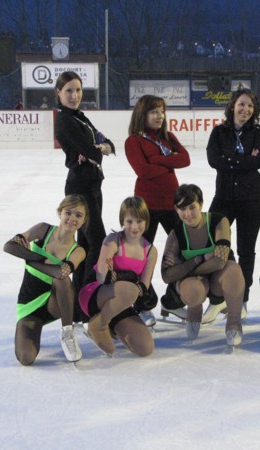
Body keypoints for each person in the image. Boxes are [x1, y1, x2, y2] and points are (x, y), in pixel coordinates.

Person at [54, 71, 115, 322]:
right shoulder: (65, 121)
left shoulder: (80, 118)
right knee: (97, 241)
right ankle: (88, 299)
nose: (74, 95)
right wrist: (97, 150)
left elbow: (106, 143)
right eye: (68, 90)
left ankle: (80, 305)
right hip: (80, 188)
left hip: (92, 184)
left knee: (87, 244)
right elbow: (94, 152)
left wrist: (100, 148)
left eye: (78, 90)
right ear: (58, 93)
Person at [125, 95, 191, 323]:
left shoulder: (168, 137)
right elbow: (142, 171)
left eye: (162, 111)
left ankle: (173, 301)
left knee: (183, 251)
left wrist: (156, 160)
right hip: (146, 206)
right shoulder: (134, 141)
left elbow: (185, 159)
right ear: (142, 114)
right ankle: (143, 304)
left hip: (172, 204)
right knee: (141, 256)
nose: (159, 116)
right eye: (154, 111)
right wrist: (169, 161)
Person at [204, 88, 260, 323]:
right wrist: (245, 160)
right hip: (224, 197)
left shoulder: (258, 133)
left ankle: (243, 298)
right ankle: (219, 295)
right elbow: (213, 160)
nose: (245, 109)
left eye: (250, 106)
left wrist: (229, 159)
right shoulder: (219, 132)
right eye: (241, 104)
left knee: (246, 250)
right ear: (232, 106)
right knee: (215, 241)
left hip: (252, 199)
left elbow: (259, 161)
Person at [3, 195, 88, 365]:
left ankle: (67, 333)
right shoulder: (43, 230)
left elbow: (60, 272)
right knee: (26, 358)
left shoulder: (78, 251)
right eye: (68, 212)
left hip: (54, 304)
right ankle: (32, 329)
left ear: (84, 221)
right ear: (60, 213)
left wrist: (28, 258)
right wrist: (41, 259)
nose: (72, 218)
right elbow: (9, 246)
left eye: (78, 215)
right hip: (29, 304)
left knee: (62, 279)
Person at [161, 184, 245, 346]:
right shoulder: (176, 233)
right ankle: (194, 310)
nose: (188, 214)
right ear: (176, 210)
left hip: (218, 280)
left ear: (201, 204)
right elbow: (166, 275)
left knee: (233, 270)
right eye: (182, 209)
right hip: (195, 283)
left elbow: (220, 261)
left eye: (192, 207)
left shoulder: (219, 221)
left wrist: (185, 267)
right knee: (193, 290)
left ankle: (234, 322)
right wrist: (199, 259)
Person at [79, 197, 158, 357]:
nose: (134, 227)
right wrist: (130, 278)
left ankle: (110, 327)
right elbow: (102, 278)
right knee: (130, 290)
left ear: (146, 221)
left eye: (139, 221)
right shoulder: (113, 240)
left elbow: (143, 288)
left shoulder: (151, 251)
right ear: (122, 221)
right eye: (129, 221)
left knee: (145, 348)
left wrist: (116, 276)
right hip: (94, 295)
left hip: (119, 302)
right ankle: (99, 325)